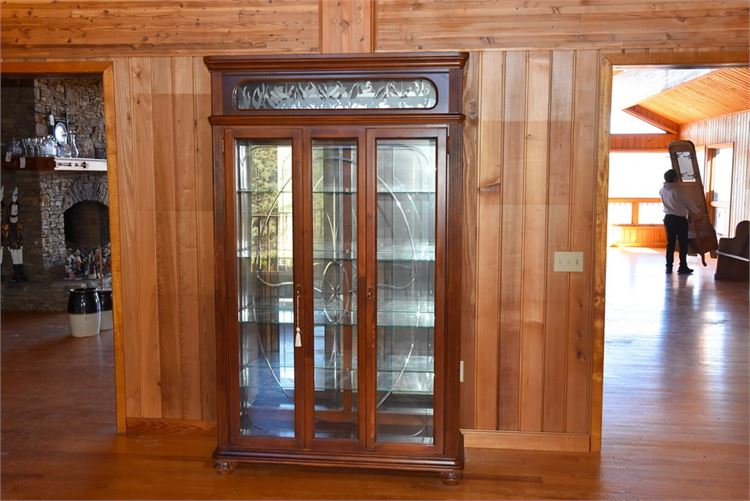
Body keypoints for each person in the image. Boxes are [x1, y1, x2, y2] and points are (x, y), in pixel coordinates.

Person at [659, 169, 702, 274]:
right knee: (683, 243)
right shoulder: (679, 190)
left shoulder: (662, 190)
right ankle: (682, 266)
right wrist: (698, 212)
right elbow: (689, 203)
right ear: (674, 178)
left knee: (671, 243)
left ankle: (669, 266)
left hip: (668, 218)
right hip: (679, 220)